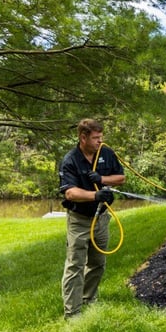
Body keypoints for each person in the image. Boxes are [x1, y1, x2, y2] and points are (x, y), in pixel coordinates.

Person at [58, 118, 125, 318]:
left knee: (97, 262)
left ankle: (89, 299)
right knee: (75, 265)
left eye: (101, 137)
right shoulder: (70, 160)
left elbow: (121, 178)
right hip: (79, 220)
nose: (99, 141)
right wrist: (95, 195)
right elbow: (69, 193)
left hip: (101, 218)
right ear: (83, 137)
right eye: (96, 138)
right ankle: (72, 312)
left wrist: (102, 180)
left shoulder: (106, 153)